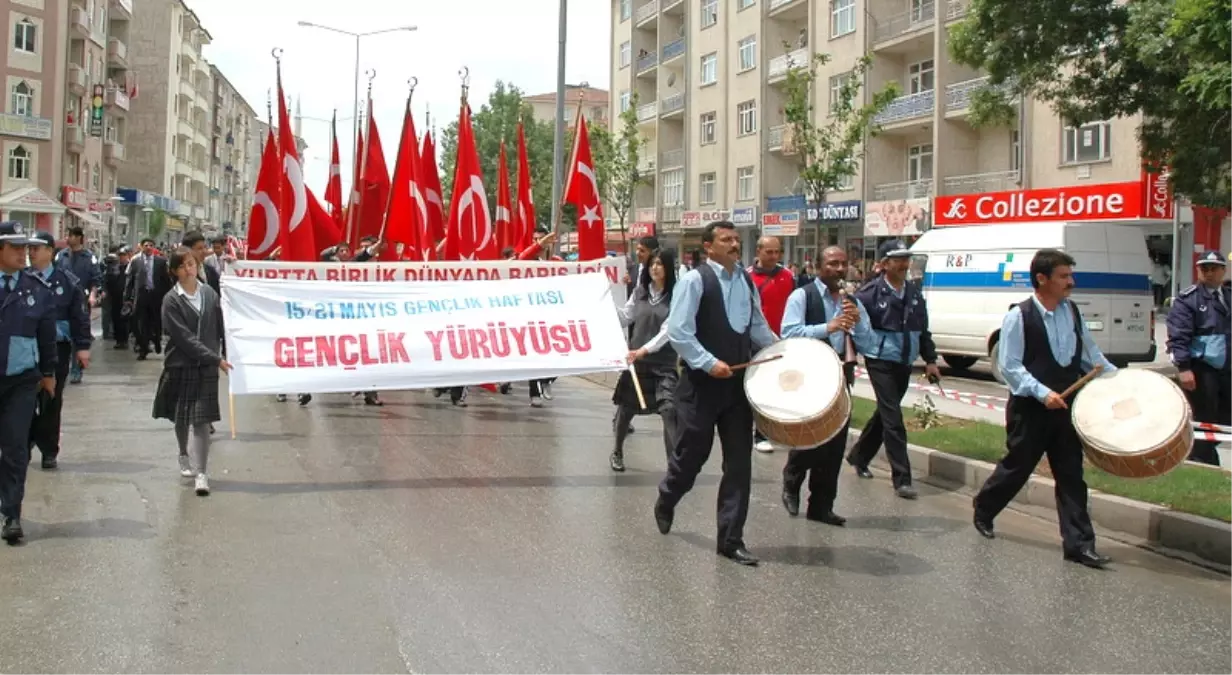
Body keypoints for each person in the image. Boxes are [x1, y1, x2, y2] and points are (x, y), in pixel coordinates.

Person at [972, 249, 1116, 568]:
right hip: (1031, 409)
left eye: (1070, 276)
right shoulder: (1018, 316)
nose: (1071, 282)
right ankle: (984, 507)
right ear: (1042, 279)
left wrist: (1120, 380)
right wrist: (1042, 392)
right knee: (1018, 466)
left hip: (1066, 409)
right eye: (1064, 276)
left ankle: (1079, 544)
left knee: (1071, 475)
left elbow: (1090, 356)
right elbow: (1010, 366)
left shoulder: (1072, 312)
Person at [654, 221, 778, 566]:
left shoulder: (745, 281)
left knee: (739, 462)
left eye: (737, 239)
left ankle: (731, 539)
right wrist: (708, 363)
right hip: (701, 385)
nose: (735, 245)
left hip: (738, 385)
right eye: (727, 240)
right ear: (709, 246)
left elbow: (757, 326)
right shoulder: (695, 281)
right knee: (692, 456)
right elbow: (679, 331)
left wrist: (782, 349)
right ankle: (668, 495)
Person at [779, 246, 876, 524]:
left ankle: (821, 505)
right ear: (820, 267)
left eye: (843, 264)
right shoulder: (803, 296)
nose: (840, 269)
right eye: (833, 263)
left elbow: (868, 344)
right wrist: (828, 327)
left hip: (841, 373)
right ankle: (792, 479)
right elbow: (790, 332)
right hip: (811, 372)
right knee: (810, 434)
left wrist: (856, 324)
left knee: (835, 441)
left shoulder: (852, 301)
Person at [846, 239, 940, 499]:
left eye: (906, 259)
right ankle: (902, 478)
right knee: (894, 419)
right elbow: (858, 330)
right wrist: (867, 352)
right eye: (897, 259)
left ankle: (859, 456)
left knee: (886, 414)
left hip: (905, 361)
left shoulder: (914, 293)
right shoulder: (869, 293)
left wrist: (930, 360)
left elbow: (923, 330)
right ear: (884, 263)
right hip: (880, 360)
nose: (903, 264)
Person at [153, 247, 230, 497]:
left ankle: (202, 472)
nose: (190, 269)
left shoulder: (209, 294)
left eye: (192, 264)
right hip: (181, 364)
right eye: (184, 265)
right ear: (175, 271)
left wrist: (228, 352)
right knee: (181, 417)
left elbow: (221, 325)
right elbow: (183, 338)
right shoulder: (171, 300)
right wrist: (215, 357)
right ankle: (183, 452)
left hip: (206, 368)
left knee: (201, 420)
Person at [0, 221, 57, 543]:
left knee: (15, 448)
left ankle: (12, 513)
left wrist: (48, 374)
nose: (24, 253)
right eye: (16, 247)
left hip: (21, 381)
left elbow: (47, 336)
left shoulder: (36, 288)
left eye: (26, 248)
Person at [26, 232, 92, 470]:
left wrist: (83, 347)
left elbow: (79, 316)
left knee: (51, 399)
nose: (32, 252)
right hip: (28, 349)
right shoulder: (24, 279)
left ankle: (48, 450)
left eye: (37, 248)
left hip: (57, 348)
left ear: (50, 251)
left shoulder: (67, 281)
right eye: (30, 248)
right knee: (25, 399)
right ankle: (25, 443)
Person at [611, 249, 678, 472]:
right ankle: (617, 450)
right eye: (652, 264)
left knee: (669, 410)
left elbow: (669, 331)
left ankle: (673, 463)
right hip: (637, 363)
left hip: (664, 363)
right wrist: (606, 302)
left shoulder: (676, 296)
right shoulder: (640, 292)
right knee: (625, 410)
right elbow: (625, 316)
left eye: (660, 264)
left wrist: (644, 350)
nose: (655, 268)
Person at [1165, 250, 1230, 466]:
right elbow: (1178, 336)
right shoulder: (1188, 299)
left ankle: (1205, 451)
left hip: (1227, 367)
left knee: (1226, 416)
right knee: (1205, 415)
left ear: (1223, 270)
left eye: (1214, 268)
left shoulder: (1228, 296)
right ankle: (1202, 458)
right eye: (1204, 269)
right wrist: (1183, 367)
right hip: (1203, 367)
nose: (1209, 273)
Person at [746, 235, 796, 453]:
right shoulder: (747, 277)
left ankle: (769, 431)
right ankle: (757, 434)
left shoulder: (788, 276)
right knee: (758, 387)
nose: (774, 256)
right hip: (755, 341)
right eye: (769, 252)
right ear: (758, 252)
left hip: (782, 341)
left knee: (778, 386)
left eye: (777, 252)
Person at [55, 226, 101, 384]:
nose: (68, 238)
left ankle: (76, 370)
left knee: (78, 335)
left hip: (81, 301)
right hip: (61, 302)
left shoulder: (89, 257)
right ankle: (63, 366)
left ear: (79, 237)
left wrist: (93, 296)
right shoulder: (61, 256)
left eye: (71, 235)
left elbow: (95, 279)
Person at [125, 238, 172, 360]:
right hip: (141, 296)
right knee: (142, 323)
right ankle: (143, 348)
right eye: (146, 245)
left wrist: (169, 295)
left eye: (151, 245)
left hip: (156, 295)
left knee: (156, 320)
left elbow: (166, 280)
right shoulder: (135, 261)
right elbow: (130, 280)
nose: (149, 247)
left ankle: (156, 339)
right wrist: (127, 297)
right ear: (141, 246)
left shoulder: (161, 262)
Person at [103, 245, 132, 349]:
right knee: (115, 318)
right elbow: (107, 281)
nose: (121, 257)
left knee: (125, 319)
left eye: (123, 255)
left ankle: (125, 339)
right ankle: (119, 340)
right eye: (120, 255)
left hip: (126, 298)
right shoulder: (114, 268)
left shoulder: (130, 267)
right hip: (115, 297)